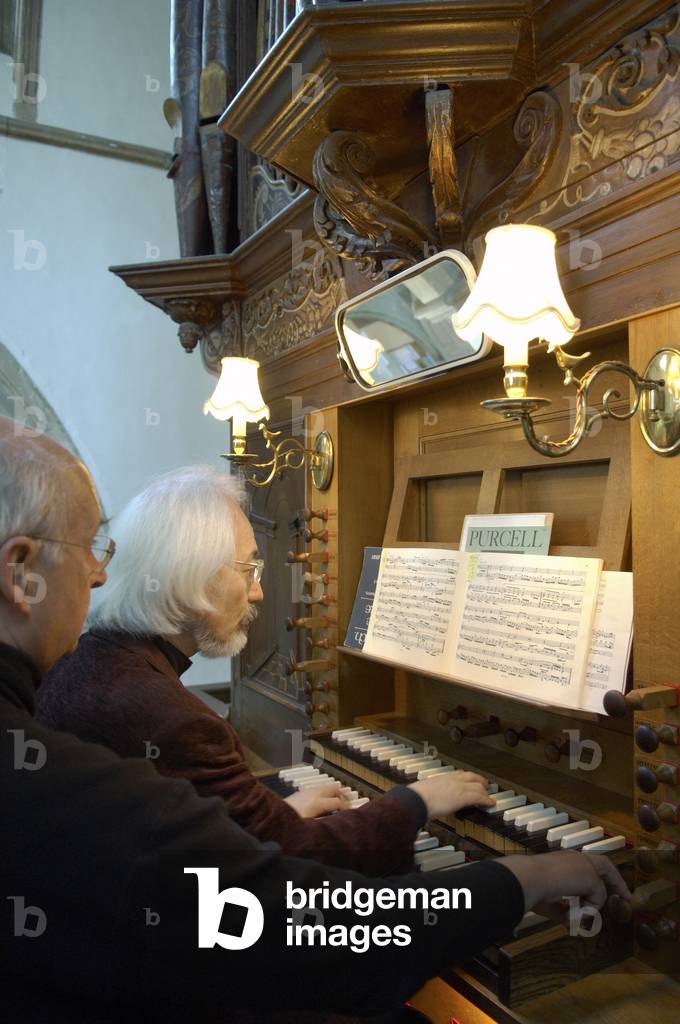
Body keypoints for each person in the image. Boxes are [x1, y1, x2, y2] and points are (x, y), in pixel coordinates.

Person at [0, 416, 631, 1023]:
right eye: (87, 548)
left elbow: (183, 864)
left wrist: (250, 828)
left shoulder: (80, 679)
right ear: (21, 568)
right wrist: (516, 876)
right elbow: (307, 928)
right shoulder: (133, 724)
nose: (101, 571)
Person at [38, 466, 495, 875]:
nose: (257, 594)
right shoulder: (172, 719)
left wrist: (272, 817)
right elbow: (302, 860)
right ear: (194, 575)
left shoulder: (87, 660)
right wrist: (416, 800)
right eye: (248, 569)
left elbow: (197, 839)